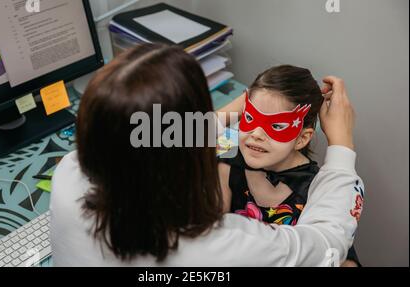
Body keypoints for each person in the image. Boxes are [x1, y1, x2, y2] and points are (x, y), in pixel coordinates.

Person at [50, 43, 363, 266]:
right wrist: (342, 144)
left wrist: (241, 111)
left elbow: (142, 136)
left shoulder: (68, 173)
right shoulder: (221, 247)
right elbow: (328, 246)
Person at [218, 65, 362, 266]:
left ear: (302, 138)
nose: (257, 134)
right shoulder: (228, 163)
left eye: (277, 126)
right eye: (250, 117)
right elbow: (171, 138)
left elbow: (341, 259)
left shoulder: (319, 189)